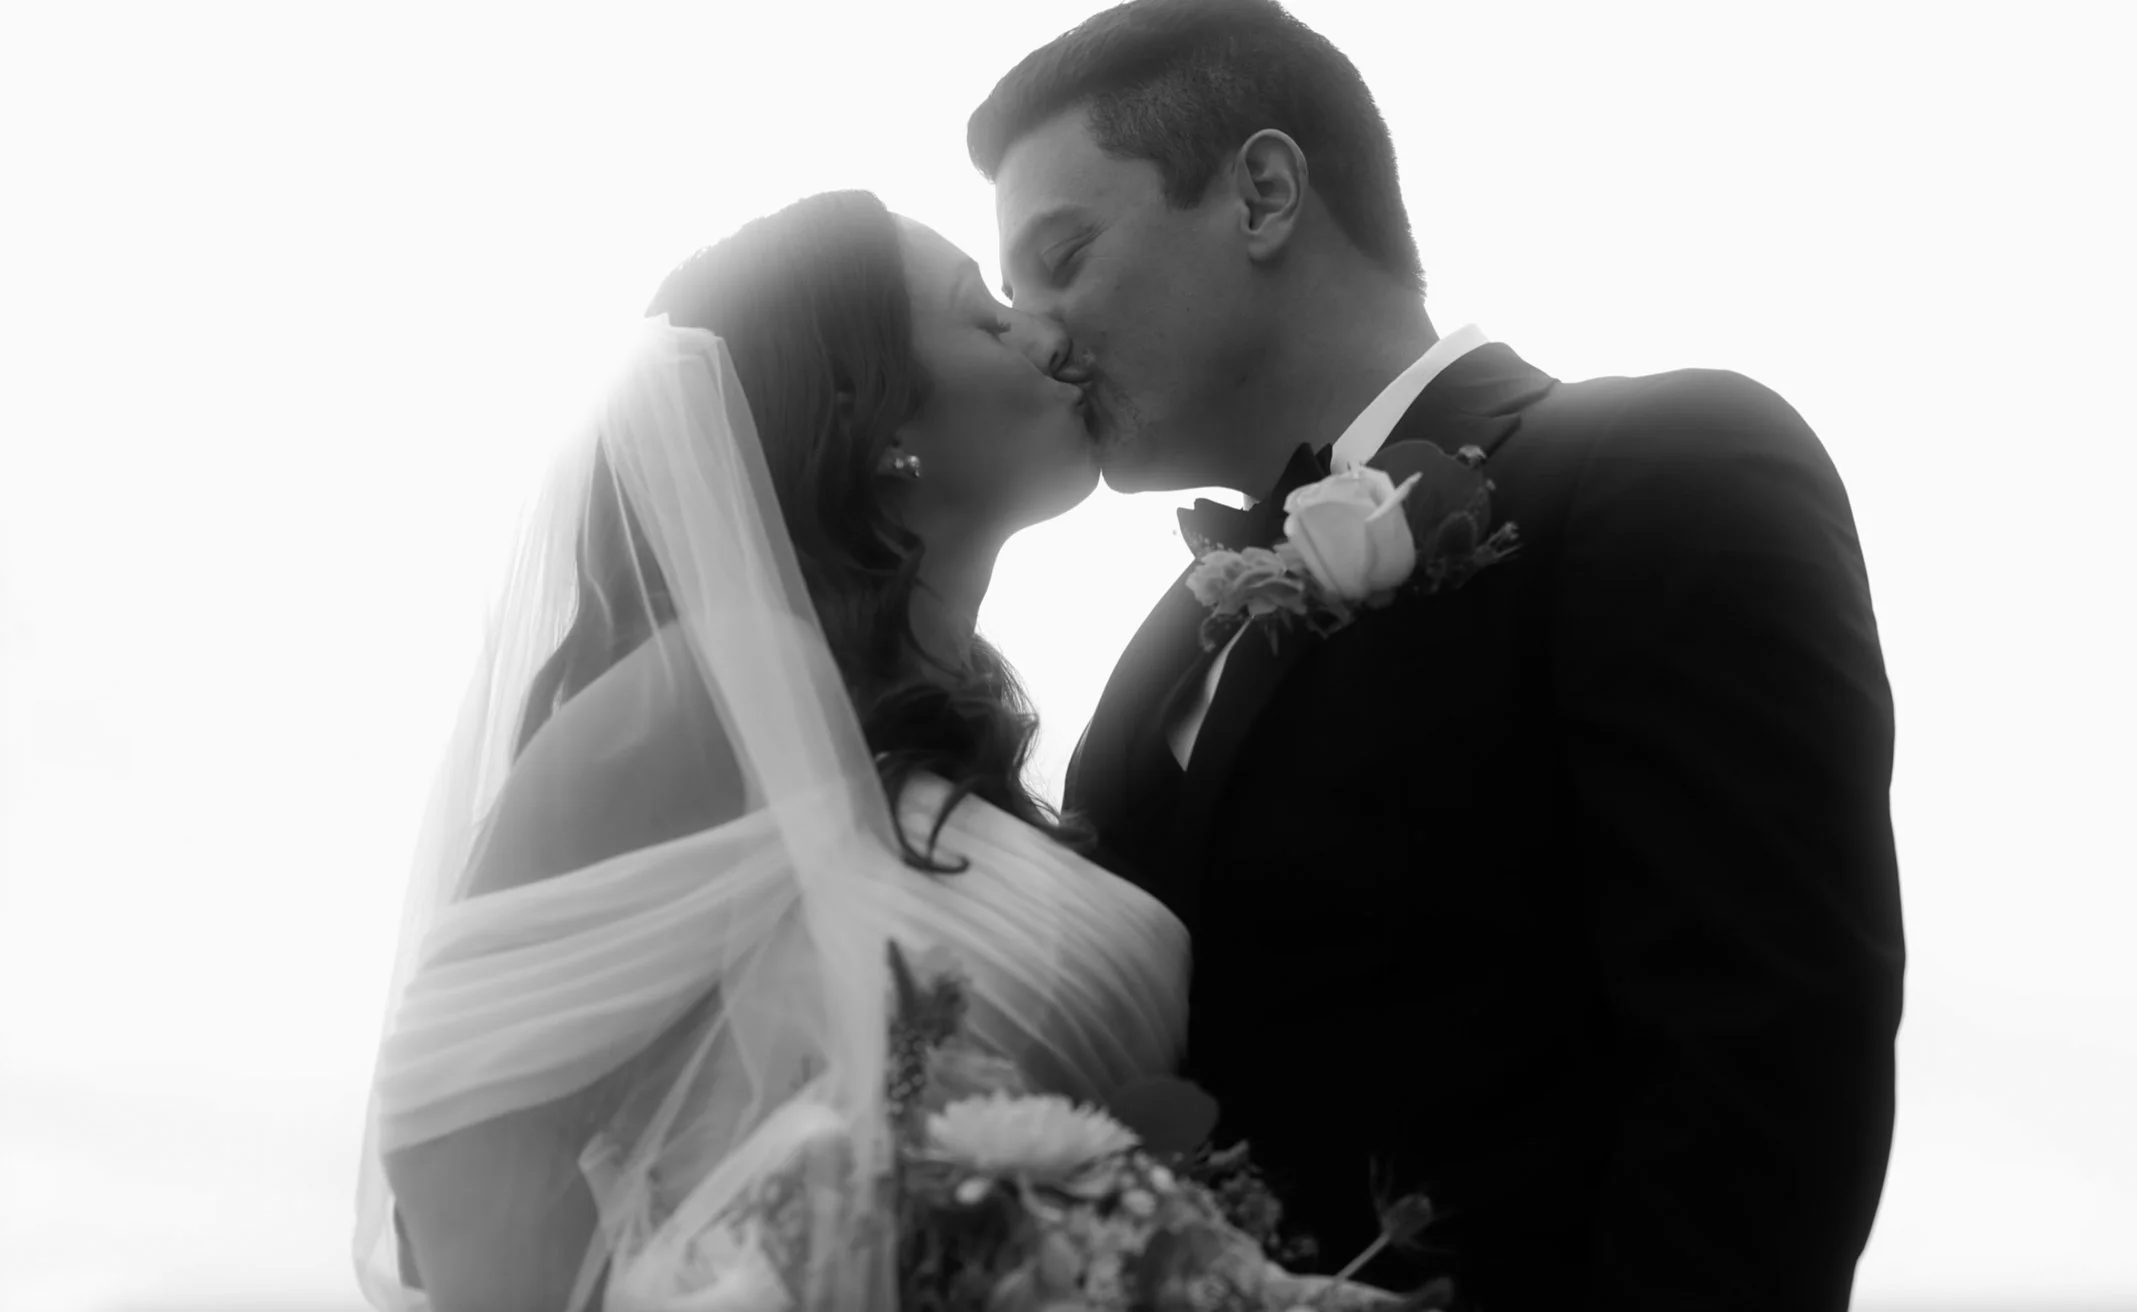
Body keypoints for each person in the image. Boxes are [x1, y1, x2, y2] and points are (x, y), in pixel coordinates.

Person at [969, 1, 1906, 1306]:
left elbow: (1761, 1090)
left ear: (1263, 192)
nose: (1042, 334)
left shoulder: (1664, 472)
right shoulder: (1161, 655)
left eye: (1062, 256)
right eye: (1013, 297)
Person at [351, 190, 1188, 1311]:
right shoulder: (718, 687)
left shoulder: (963, 765)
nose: (1046, 332)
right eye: (983, 319)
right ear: (872, 413)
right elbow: (452, 1115)